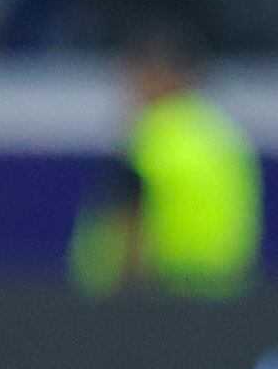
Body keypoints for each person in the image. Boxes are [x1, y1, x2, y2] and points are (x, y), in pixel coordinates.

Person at [72, 30, 263, 296]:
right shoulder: (226, 138)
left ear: (162, 77)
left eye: (136, 77)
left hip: (158, 292)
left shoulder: (151, 137)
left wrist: (119, 294)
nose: (129, 91)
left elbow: (131, 224)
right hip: (223, 292)